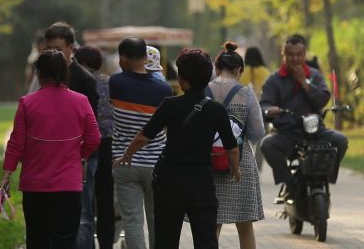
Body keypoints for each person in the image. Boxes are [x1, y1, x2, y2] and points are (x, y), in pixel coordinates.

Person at [114, 48, 240, 249]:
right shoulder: (216, 109)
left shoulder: (170, 105)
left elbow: (144, 136)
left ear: (182, 79)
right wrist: (235, 170)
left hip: (170, 181)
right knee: (206, 238)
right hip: (201, 182)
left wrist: (127, 154)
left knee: (166, 237)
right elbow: (231, 148)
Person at [0, 49, 101, 249]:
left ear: (39, 74)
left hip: (35, 186)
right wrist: (78, 156)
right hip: (68, 186)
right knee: (65, 241)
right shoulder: (80, 101)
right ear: (65, 72)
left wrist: (6, 174)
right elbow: (94, 138)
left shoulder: (27, 103)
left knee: (37, 240)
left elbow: (16, 143)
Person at [259, 34, 348, 195]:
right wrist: (269, 110)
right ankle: (289, 183)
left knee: (340, 140)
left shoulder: (314, 75)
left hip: (315, 131)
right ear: (284, 55)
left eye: (298, 54)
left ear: (304, 54)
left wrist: (305, 83)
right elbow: (264, 105)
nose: (294, 59)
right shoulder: (274, 79)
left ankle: (325, 177)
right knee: (267, 144)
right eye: (290, 55)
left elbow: (322, 99)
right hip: (286, 132)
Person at [109, 37, 172, 249]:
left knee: (133, 222)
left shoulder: (115, 83)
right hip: (156, 164)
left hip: (124, 162)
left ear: (122, 58)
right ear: (146, 58)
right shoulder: (164, 90)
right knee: (157, 220)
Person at [43, 22, 102, 249]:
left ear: (71, 48)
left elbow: (91, 126)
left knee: (83, 214)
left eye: (58, 48)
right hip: (51, 156)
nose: (53, 53)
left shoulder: (84, 80)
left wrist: (82, 157)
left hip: (81, 157)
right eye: (49, 48)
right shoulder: (45, 76)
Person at [207, 42, 265, 249]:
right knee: (245, 224)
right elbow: (257, 132)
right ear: (239, 70)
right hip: (239, 164)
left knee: (212, 223)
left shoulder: (204, 91)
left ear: (216, 68)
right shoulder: (246, 93)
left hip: (209, 163)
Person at [74, 45, 116, 249]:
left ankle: (87, 242)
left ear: (82, 63)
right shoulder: (108, 82)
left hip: (86, 146)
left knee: (86, 200)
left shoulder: (79, 81)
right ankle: (107, 244)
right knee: (106, 197)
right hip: (108, 143)